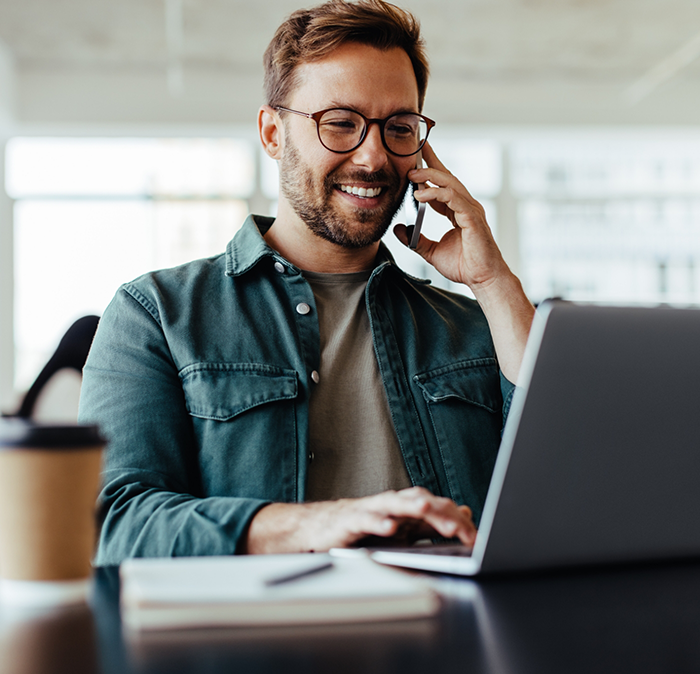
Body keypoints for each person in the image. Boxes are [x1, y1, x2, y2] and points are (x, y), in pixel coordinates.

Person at [79, 0, 535, 564]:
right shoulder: (156, 314)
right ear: (273, 132)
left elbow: (570, 485)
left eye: (398, 128)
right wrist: (318, 523)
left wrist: (493, 282)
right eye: (340, 123)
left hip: (453, 641)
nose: (373, 157)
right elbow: (111, 523)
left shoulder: (472, 326)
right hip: (257, 644)